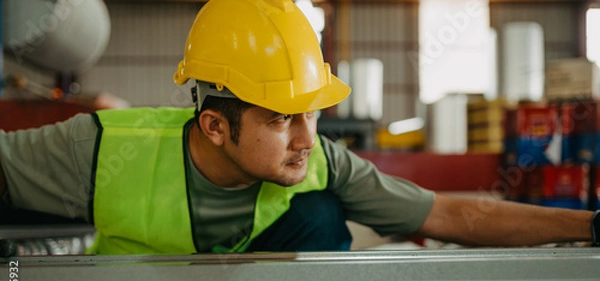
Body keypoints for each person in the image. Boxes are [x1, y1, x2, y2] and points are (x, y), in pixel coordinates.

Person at [0, 0, 598, 255]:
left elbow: (449, 214)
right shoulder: (101, 147)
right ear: (214, 125)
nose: (307, 140)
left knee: (318, 215)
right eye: (282, 118)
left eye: (311, 112)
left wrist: (589, 226)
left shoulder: (319, 162)